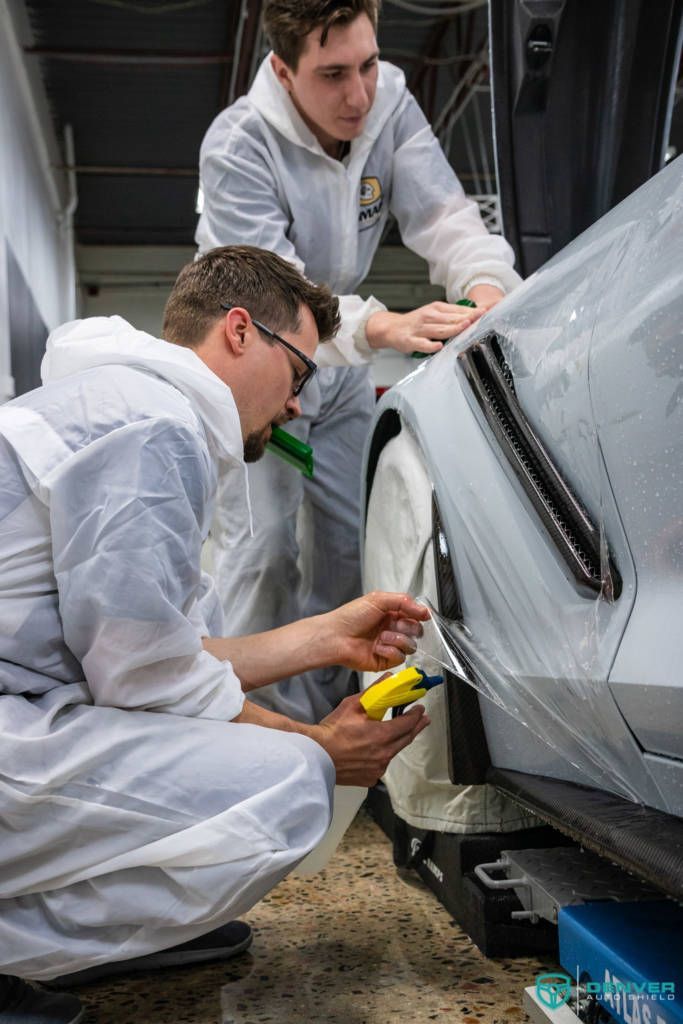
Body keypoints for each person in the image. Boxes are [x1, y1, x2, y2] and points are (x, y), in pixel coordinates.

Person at [0, 245, 430, 1023]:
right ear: (239, 331)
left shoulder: (120, 403)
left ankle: (115, 935)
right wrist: (322, 751)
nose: (298, 404)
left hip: (20, 716)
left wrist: (324, 637)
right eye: (298, 374)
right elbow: (146, 680)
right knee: (288, 781)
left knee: (279, 761)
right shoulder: (152, 424)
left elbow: (152, 654)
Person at [196, 0, 523, 722]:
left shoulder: (389, 104)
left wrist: (487, 287)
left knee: (349, 553)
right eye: (333, 74)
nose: (358, 94)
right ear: (282, 70)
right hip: (258, 370)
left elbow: (443, 217)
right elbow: (275, 301)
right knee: (264, 559)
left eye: (368, 64)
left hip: (340, 373)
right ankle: (256, 734)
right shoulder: (238, 146)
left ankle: (332, 730)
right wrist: (382, 324)